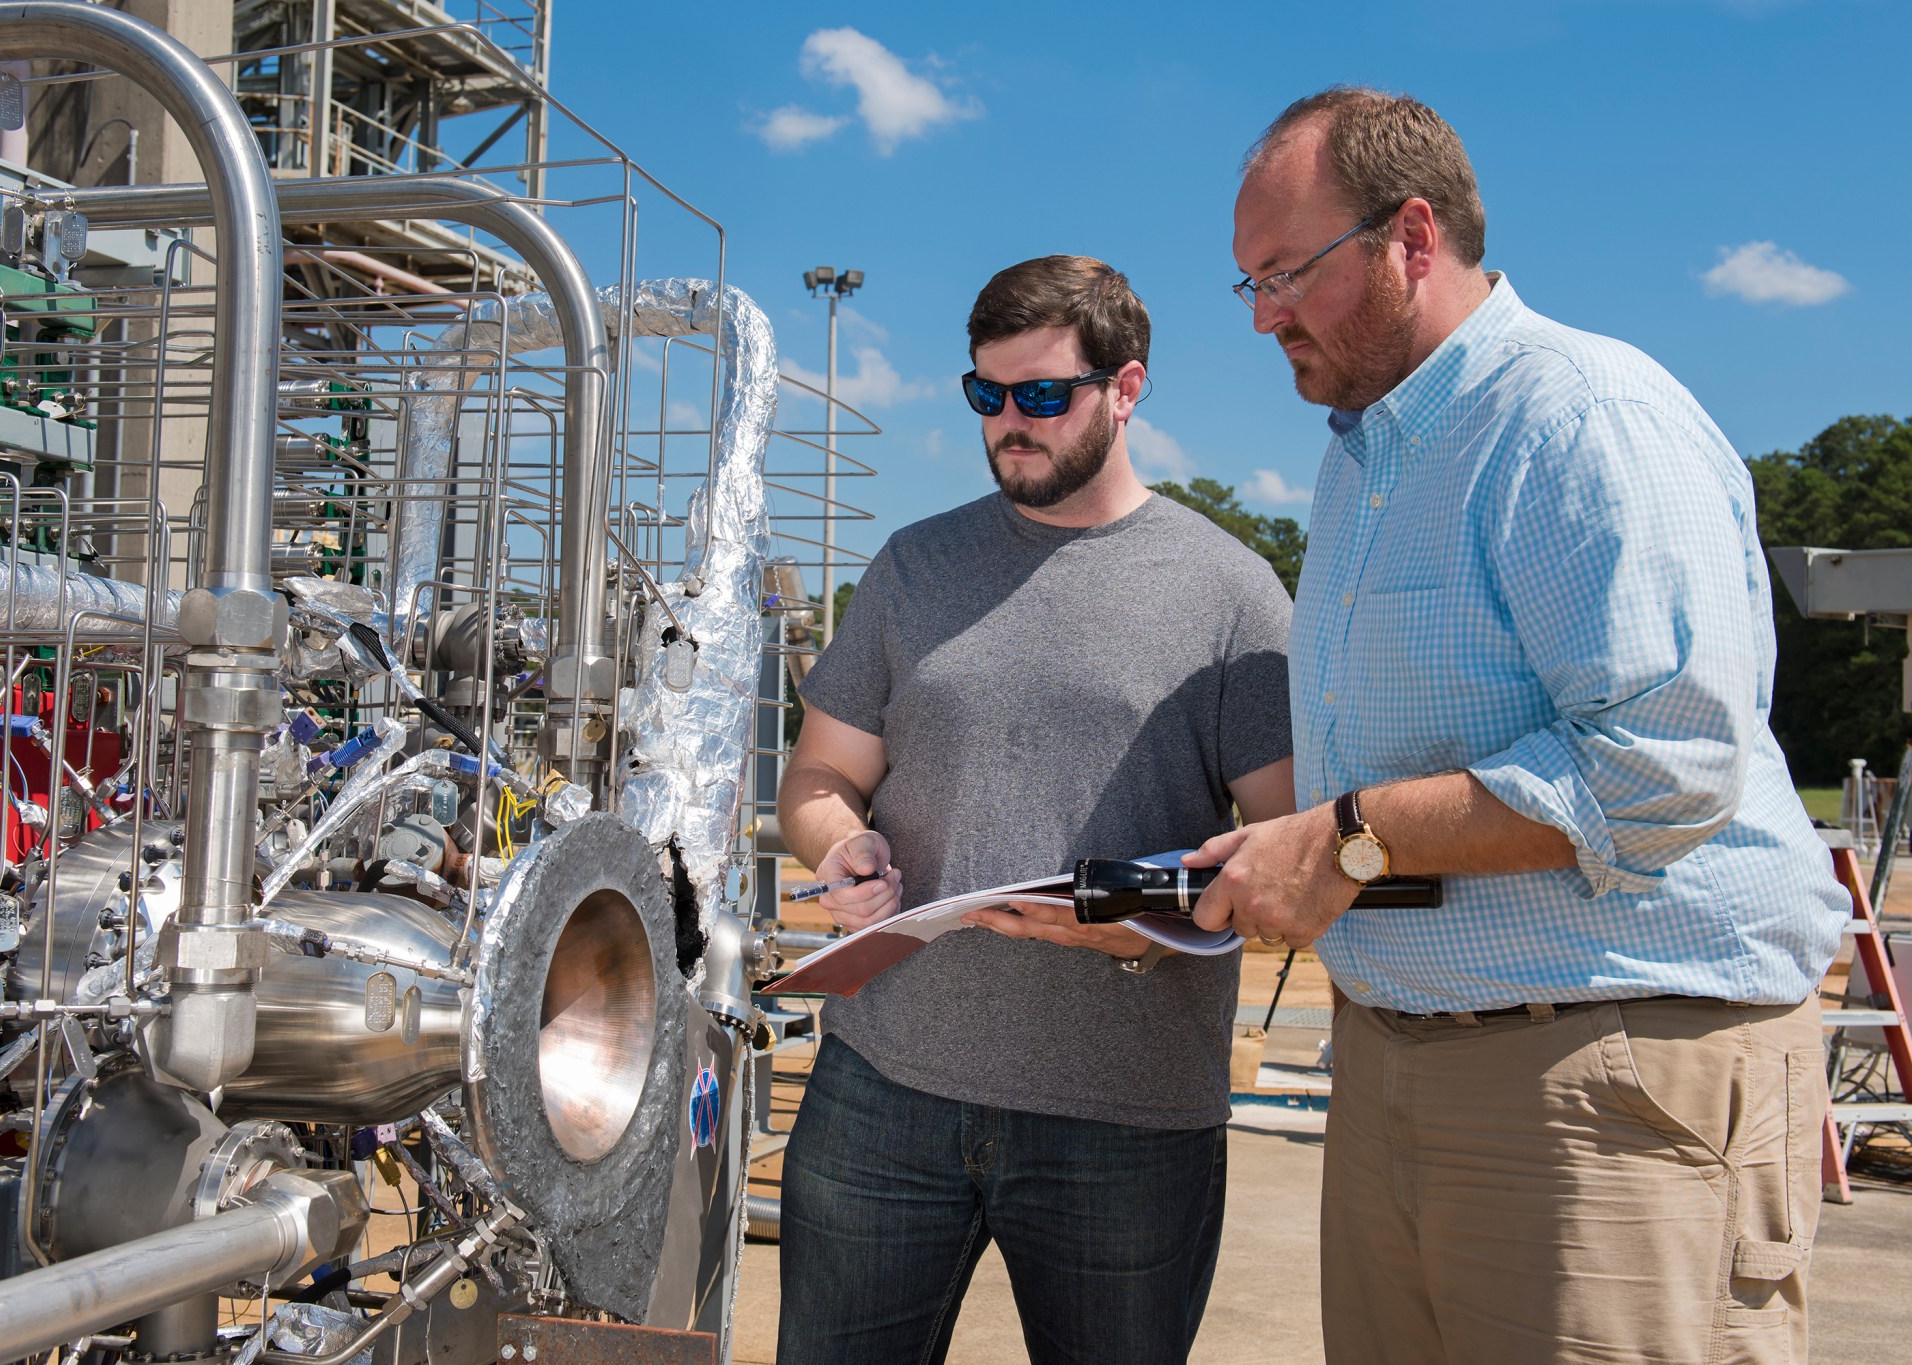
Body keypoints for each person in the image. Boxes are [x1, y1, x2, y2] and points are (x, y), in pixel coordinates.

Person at [1192, 88, 1851, 1364]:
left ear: (1412, 238)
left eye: (1285, 274)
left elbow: (1662, 763)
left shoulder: (1578, 418)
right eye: (1246, 286)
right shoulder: (1360, 460)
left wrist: (1342, 840)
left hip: (1609, 1082)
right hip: (1397, 1066)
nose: (1263, 316)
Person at [774, 255, 1295, 1365]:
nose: (1010, 423)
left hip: (1124, 1124)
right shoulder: (915, 565)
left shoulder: (1232, 595)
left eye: (1043, 396)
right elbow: (817, 780)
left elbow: (1286, 857)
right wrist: (841, 843)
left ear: (1127, 389)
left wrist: (1131, 912)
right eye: (986, 395)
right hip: (881, 1091)